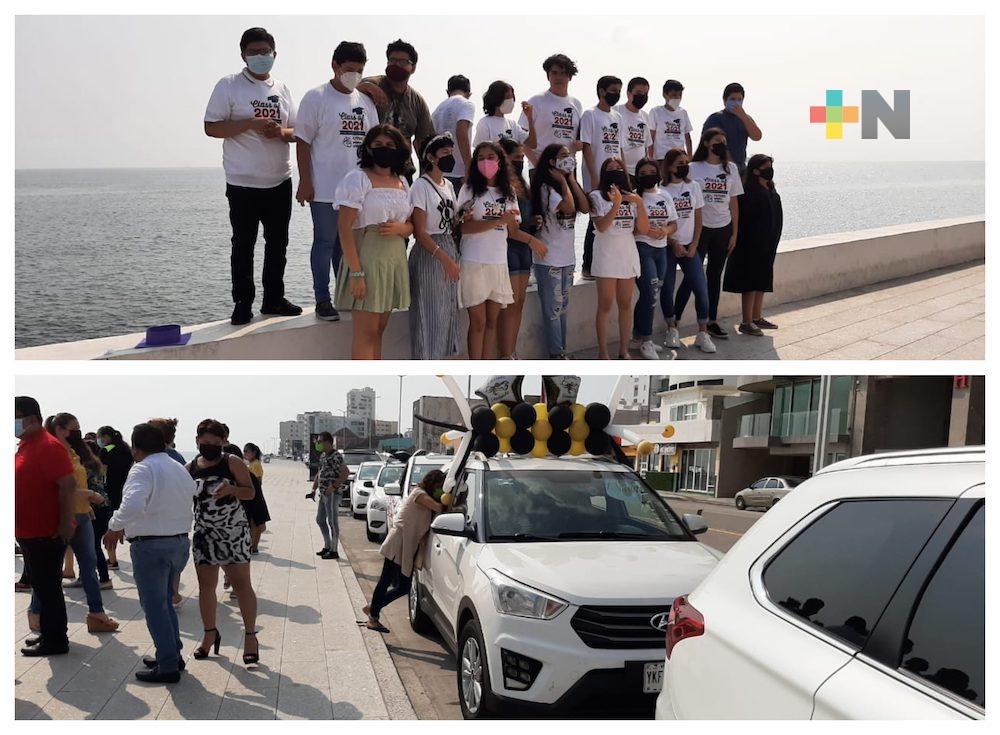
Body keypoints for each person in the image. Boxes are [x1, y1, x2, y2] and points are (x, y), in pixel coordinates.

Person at [204, 27, 301, 326]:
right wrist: (249, 123)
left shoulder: (282, 89)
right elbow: (211, 127)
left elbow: (296, 132)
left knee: (278, 243)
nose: (261, 57)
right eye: (254, 52)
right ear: (243, 55)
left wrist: (279, 132)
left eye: (265, 52)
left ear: (275, 53)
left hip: (279, 179)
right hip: (242, 181)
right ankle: (242, 302)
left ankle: (273, 299)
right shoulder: (229, 85)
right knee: (243, 244)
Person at [105, 424, 198, 683]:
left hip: (151, 546)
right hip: (178, 543)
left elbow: (133, 503)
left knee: (155, 606)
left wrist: (114, 527)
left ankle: (167, 665)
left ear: (136, 448)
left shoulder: (143, 468)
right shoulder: (177, 467)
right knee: (165, 603)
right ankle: (172, 653)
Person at [296, 41, 380, 324]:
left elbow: (374, 145)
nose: (353, 75)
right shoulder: (315, 97)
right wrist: (305, 181)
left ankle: (344, 295)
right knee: (324, 241)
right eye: (348, 69)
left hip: (357, 191)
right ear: (334, 65)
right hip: (324, 188)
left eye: (359, 70)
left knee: (347, 246)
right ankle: (322, 298)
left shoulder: (365, 102)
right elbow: (302, 141)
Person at [456, 141, 548, 359]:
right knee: (478, 322)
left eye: (490, 157)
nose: (486, 162)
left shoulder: (508, 193)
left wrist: (531, 241)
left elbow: (511, 230)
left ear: (500, 161)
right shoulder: (469, 190)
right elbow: (464, 227)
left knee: (491, 322)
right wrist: (497, 220)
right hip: (474, 261)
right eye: (480, 158)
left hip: (498, 262)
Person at [334, 124, 414, 359]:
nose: (384, 149)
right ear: (368, 149)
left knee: (379, 331)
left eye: (390, 145)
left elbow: (410, 226)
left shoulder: (402, 182)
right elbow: (344, 228)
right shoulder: (357, 179)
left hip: (393, 261)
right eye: (378, 145)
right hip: (367, 261)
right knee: (366, 333)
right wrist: (356, 273)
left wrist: (401, 228)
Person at [35, 414, 118, 633]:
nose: (78, 432)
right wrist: (90, 494)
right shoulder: (51, 453)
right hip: (61, 517)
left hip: (82, 516)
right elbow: (57, 490)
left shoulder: (72, 452)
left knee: (89, 566)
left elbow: (75, 484)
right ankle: (36, 613)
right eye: (75, 428)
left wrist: (87, 504)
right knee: (51, 569)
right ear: (60, 429)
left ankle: (97, 614)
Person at [186, 419, 260, 666]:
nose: (210, 447)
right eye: (206, 442)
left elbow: (250, 492)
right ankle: (209, 634)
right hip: (204, 536)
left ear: (223, 442)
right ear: (197, 441)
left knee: (241, 586)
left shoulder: (232, 462)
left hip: (233, 534)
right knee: (206, 588)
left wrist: (232, 490)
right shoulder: (190, 467)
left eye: (216, 443)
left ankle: (250, 636)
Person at [15, 396, 74, 657]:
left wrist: (64, 524)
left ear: (30, 418)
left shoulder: (49, 446)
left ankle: (55, 640)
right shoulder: (26, 445)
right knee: (42, 586)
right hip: (29, 532)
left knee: (48, 588)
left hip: (46, 532)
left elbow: (68, 485)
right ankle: (49, 634)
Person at [674, 128, 743, 340]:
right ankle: (674, 322)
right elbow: (681, 195)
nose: (720, 145)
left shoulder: (731, 169)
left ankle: (710, 321)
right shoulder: (694, 168)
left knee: (714, 276)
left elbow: (734, 202)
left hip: (723, 229)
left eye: (723, 141)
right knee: (692, 276)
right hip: (699, 230)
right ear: (706, 143)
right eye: (716, 141)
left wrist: (734, 233)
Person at [363, 470, 446, 632]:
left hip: (407, 546)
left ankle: (373, 608)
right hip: (398, 542)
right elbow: (439, 507)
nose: (440, 489)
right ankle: (373, 618)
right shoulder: (419, 494)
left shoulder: (424, 496)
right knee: (386, 581)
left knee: (403, 586)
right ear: (432, 483)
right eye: (439, 485)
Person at [530, 143, 590, 358]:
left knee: (563, 308)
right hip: (549, 260)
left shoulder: (567, 185)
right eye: (563, 155)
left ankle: (561, 350)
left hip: (567, 259)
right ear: (551, 162)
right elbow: (569, 207)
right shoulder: (547, 189)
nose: (569, 158)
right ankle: (556, 353)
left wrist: (571, 179)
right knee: (553, 310)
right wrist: (564, 182)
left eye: (570, 156)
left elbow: (584, 207)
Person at [589, 157, 649, 359]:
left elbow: (642, 229)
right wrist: (616, 204)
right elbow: (602, 226)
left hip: (626, 252)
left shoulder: (632, 197)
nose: (615, 171)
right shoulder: (596, 196)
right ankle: (603, 352)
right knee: (605, 303)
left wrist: (639, 203)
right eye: (610, 168)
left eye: (618, 168)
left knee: (626, 303)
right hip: (606, 253)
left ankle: (623, 349)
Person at [409, 134, 461, 359]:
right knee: (429, 314)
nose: (450, 157)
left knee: (447, 311)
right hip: (431, 253)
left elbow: (451, 220)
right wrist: (445, 259)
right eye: (445, 154)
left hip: (448, 245)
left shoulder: (448, 185)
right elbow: (420, 231)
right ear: (431, 157)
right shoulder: (421, 186)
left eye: (451, 153)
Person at [662, 148, 715, 354]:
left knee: (700, 288)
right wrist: (673, 243)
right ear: (669, 166)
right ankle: (671, 328)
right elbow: (660, 221)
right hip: (668, 247)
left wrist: (694, 244)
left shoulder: (694, 187)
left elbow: (699, 218)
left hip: (691, 245)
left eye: (686, 161)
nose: (684, 166)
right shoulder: (661, 190)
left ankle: (702, 332)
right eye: (679, 162)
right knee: (667, 288)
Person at [724, 153, 783, 336]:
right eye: (766, 167)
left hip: (768, 243)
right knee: (750, 282)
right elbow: (745, 220)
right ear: (756, 170)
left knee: (762, 281)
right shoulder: (747, 191)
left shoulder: (769, 189)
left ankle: (757, 317)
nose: (769, 171)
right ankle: (746, 321)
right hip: (751, 244)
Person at [497, 136, 545, 359]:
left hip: (523, 249)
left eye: (522, 158)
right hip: (507, 248)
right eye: (516, 158)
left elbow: (523, 216)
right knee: (508, 304)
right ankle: (505, 353)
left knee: (519, 303)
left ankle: (512, 352)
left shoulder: (524, 186)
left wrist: (534, 221)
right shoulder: (500, 186)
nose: (521, 162)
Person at [358, 39, 436, 175]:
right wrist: (366, 87)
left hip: (402, 169)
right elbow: (347, 94)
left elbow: (424, 143)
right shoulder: (372, 85)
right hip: (371, 167)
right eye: (392, 60)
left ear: (413, 67)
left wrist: (427, 178)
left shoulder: (418, 102)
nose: (396, 64)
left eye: (402, 62)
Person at [630, 158, 679, 360]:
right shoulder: (634, 198)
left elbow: (674, 224)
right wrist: (647, 231)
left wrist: (665, 230)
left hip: (662, 250)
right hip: (643, 248)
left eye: (652, 171)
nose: (648, 175)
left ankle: (638, 336)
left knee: (652, 295)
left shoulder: (665, 195)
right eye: (643, 173)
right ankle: (647, 341)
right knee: (649, 292)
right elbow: (630, 227)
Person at [580, 75, 624, 280]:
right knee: (594, 221)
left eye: (619, 90)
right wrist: (594, 177)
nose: (616, 94)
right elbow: (586, 147)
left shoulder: (618, 117)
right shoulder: (590, 114)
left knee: (615, 216)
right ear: (601, 91)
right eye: (613, 90)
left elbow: (619, 148)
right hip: (596, 178)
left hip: (615, 175)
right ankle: (587, 266)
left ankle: (609, 263)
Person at [520, 54, 584, 167]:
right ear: (548, 76)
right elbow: (521, 138)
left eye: (563, 73)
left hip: (568, 167)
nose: (558, 77)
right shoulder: (536, 101)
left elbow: (579, 139)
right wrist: (537, 164)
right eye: (554, 73)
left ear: (570, 77)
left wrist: (579, 144)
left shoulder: (576, 104)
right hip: (542, 166)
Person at [702, 82, 763, 173]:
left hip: (740, 167)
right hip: (719, 168)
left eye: (739, 99)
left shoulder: (746, 119)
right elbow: (708, 143)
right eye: (732, 99)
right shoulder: (715, 118)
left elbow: (757, 137)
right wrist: (732, 166)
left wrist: (743, 116)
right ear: (724, 100)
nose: (736, 102)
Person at [97, 426, 133, 570]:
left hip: (111, 490)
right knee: (120, 524)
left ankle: (112, 560)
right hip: (124, 489)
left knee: (110, 525)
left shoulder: (107, 450)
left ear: (106, 437)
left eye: (100, 437)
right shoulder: (125, 448)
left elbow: (102, 471)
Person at [430, 75, 475, 191]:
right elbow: (461, 133)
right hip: (459, 172)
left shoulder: (437, 110)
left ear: (447, 91)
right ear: (469, 93)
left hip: (439, 171)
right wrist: (469, 166)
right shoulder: (466, 104)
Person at [310, 432, 349, 560]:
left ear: (328, 442)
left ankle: (334, 550)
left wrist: (333, 487)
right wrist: (314, 488)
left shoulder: (336, 456)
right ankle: (327, 546)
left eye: (320, 441)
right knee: (320, 520)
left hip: (332, 494)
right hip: (323, 493)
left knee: (332, 522)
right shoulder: (323, 456)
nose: (318, 444)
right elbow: (320, 472)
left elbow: (345, 473)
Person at [473, 80, 536, 152]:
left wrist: (530, 119)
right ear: (497, 98)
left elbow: (532, 144)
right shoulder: (485, 123)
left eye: (512, 97)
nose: (511, 100)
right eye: (508, 97)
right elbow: (480, 150)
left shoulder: (513, 124)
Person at [614, 77, 654, 175]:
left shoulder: (645, 116)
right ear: (628, 94)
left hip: (640, 172)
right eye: (639, 93)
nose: (643, 96)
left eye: (646, 94)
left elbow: (647, 146)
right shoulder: (616, 112)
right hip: (620, 170)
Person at [650, 80, 693, 159]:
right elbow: (651, 137)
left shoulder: (683, 113)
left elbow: (687, 137)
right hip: (661, 157)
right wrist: (650, 158)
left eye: (679, 95)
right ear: (665, 95)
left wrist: (689, 158)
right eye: (674, 95)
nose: (677, 98)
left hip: (679, 157)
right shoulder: (656, 112)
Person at [242, 443, 271, 554]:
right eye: (244, 451)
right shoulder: (251, 464)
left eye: (247, 451)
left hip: (255, 497)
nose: (245, 453)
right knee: (253, 523)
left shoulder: (256, 465)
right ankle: (252, 546)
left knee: (256, 523)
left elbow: (258, 481)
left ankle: (254, 547)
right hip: (252, 496)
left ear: (254, 453)